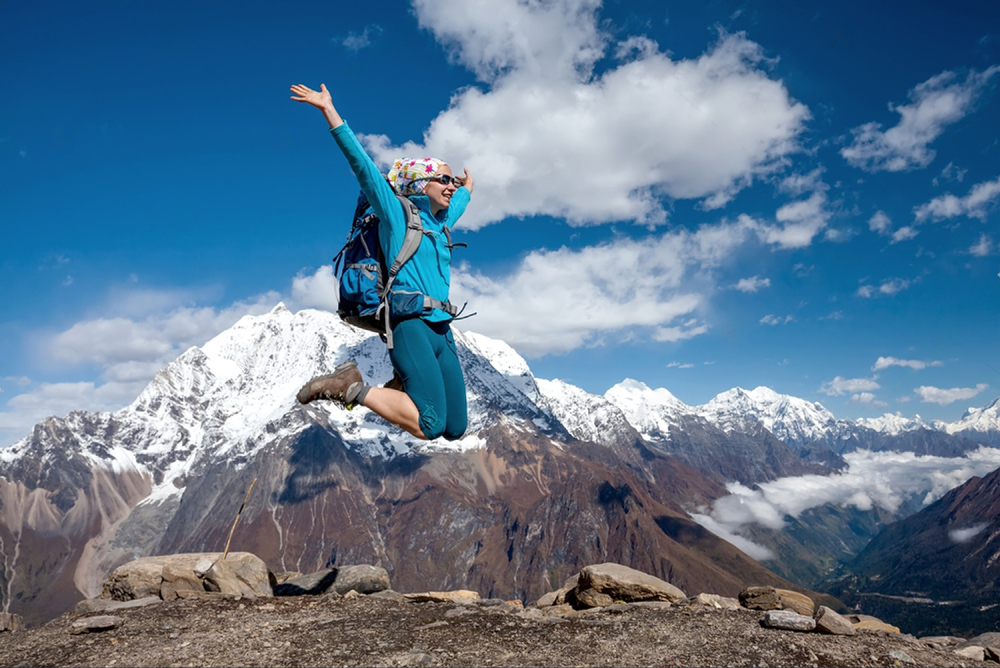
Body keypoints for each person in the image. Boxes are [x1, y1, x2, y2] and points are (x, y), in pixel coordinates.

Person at [290, 83, 471, 442]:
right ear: (419, 184)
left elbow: (461, 200)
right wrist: (329, 111)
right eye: (444, 179)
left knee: (455, 428)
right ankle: (349, 387)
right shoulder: (397, 216)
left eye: (452, 180)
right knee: (430, 424)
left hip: (441, 330)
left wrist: (466, 186)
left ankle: (399, 384)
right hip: (411, 325)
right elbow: (363, 167)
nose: (450, 186)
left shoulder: (440, 224)